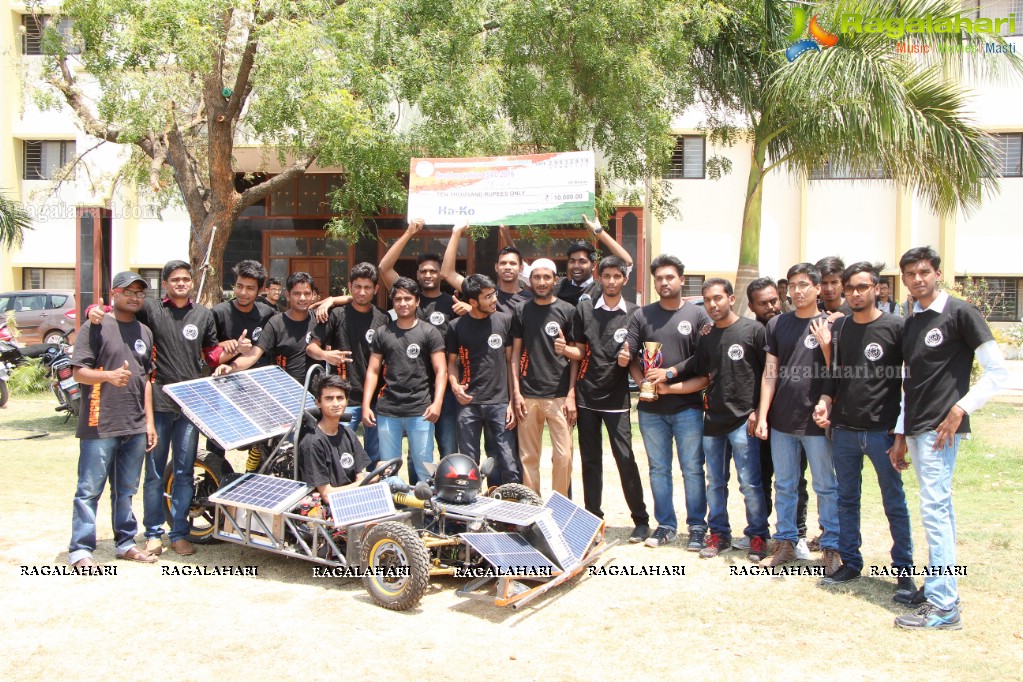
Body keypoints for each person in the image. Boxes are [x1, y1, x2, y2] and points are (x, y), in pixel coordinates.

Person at [890, 247, 1008, 630]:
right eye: (910, 274)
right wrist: (901, 433)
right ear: (904, 279)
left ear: (937, 273)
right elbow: (910, 383)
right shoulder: (912, 322)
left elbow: (997, 372)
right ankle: (941, 588)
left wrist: (961, 409)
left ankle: (944, 606)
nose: (918, 278)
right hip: (919, 429)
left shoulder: (960, 313)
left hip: (943, 431)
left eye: (924, 271)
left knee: (935, 512)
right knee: (939, 511)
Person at [88, 260, 220, 557]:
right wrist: (92, 312)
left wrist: (227, 353)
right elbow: (118, 310)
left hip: (190, 404)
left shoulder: (203, 314)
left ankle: (179, 533)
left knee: (185, 471)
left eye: (186, 278)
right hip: (159, 403)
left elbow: (211, 352)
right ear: (166, 283)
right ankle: (153, 533)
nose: (181, 283)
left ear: (191, 281)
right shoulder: (151, 309)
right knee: (155, 472)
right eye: (175, 279)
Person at [813, 262, 915, 598]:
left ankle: (904, 571)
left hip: (882, 432)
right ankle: (851, 563)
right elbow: (836, 372)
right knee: (846, 500)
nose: (855, 293)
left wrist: (901, 434)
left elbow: (909, 384)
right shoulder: (842, 329)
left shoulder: (897, 326)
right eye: (850, 288)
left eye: (862, 287)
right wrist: (826, 400)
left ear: (877, 288)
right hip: (844, 431)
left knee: (894, 502)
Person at [755, 263, 841, 575]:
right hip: (782, 421)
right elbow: (770, 373)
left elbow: (838, 373)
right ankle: (785, 543)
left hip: (817, 422)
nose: (798, 291)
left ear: (818, 289)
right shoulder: (778, 324)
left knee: (825, 485)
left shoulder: (833, 322)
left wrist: (827, 343)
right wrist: (763, 415)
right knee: (786, 484)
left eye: (804, 284)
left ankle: (832, 546)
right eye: (792, 285)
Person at [68, 272, 158, 568]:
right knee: (89, 489)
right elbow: (78, 372)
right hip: (100, 422)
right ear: (114, 293)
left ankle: (125, 542)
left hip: (134, 424)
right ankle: (81, 549)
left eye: (139, 293)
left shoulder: (144, 331)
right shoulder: (95, 325)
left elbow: (146, 379)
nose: (134, 297)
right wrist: (108, 376)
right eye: (128, 291)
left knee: (126, 489)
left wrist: (149, 423)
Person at [626, 255, 710, 549]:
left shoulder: (698, 316)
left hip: (688, 407)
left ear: (681, 280)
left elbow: (704, 360)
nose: (664, 282)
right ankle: (665, 525)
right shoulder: (641, 315)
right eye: (659, 278)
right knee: (658, 469)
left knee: (692, 468)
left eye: (669, 277)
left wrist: (670, 377)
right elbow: (631, 357)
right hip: (651, 410)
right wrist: (642, 384)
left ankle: (698, 526)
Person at [687, 278, 769, 562]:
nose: (713, 304)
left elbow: (769, 375)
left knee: (749, 483)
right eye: (708, 299)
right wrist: (668, 378)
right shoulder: (706, 335)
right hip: (713, 421)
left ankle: (758, 534)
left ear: (731, 299)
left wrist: (759, 411)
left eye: (718, 298)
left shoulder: (754, 331)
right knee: (715, 482)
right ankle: (718, 534)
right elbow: (700, 372)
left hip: (744, 420)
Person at [572, 256, 650, 542]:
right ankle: (593, 518)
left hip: (617, 400)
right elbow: (578, 353)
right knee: (590, 461)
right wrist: (571, 391)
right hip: (586, 398)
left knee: (625, 458)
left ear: (624, 279)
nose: (612, 281)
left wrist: (640, 377)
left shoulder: (635, 314)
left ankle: (640, 520)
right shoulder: (585, 310)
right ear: (599, 278)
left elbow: (638, 358)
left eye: (617, 276)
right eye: (606, 276)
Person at [379, 217, 458, 458]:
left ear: (440, 274)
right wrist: (409, 233)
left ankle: (444, 491)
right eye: (423, 271)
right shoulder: (408, 297)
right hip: (413, 387)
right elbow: (383, 268)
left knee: (446, 446)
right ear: (417, 274)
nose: (429, 274)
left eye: (434, 270)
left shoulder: (452, 302)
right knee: (417, 451)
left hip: (442, 384)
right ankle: (416, 493)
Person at [746, 277, 812, 559]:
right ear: (751, 306)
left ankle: (797, 535)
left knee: (795, 481)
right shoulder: (746, 331)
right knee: (761, 479)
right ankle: (762, 535)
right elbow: (750, 378)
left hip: (791, 419)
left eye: (775, 300)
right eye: (763, 303)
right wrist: (755, 411)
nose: (772, 306)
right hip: (757, 421)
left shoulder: (790, 327)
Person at [362, 277, 447, 483]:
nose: (403, 303)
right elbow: (373, 371)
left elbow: (441, 370)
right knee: (388, 467)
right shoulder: (383, 333)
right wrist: (366, 405)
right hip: (388, 410)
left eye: (408, 298)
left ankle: (426, 511)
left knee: (424, 466)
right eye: (398, 299)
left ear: (417, 301)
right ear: (393, 302)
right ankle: (394, 510)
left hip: (421, 410)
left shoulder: (429, 331)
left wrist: (437, 404)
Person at [510, 258, 582, 496]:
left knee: (564, 455)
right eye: (537, 277)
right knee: (529, 456)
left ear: (555, 280)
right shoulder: (521, 310)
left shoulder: (568, 310)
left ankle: (558, 506)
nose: (541, 282)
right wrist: (516, 394)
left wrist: (571, 394)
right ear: (529, 281)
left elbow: (575, 356)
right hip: (528, 395)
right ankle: (532, 506)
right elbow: (514, 355)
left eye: (546, 277)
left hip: (559, 395)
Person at [307, 263, 389, 463]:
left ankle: (371, 489)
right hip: (343, 400)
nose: (362, 292)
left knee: (374, 455)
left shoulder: (383, 318)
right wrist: (327, 356)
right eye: (357, 286)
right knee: (338, 451)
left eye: (367, 287)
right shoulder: (336, 315)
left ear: (376, 289)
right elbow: (312, 348)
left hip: (374, 399)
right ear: (350, 286)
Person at [446, 274, 519, 485]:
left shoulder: (504, 320)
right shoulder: (456, 326)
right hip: (468, 403)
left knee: (507, 460)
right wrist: (455, 385)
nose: (494, 299)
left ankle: (509, 506)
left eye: (494, 294)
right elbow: (452, 362)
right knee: (468, 463)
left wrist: (512, 401)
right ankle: (470, 508)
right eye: (487, 296)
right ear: (472, 302)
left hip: (499, 402)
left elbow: (510, 362)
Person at [218, 272, 319, 383]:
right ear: (287, 295)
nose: (302, 298)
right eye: (296, 294)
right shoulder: (276, 323)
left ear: (313, 295)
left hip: (316, 392)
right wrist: (231, 367)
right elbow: (254, 353)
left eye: (307, 293)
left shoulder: (320, 319)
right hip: (285, 391)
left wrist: (331, 300)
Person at [441, 222, 533, 314]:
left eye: (513, 263)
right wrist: (456, 232)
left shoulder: (531, 300)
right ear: (496, 267)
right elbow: (448, 273)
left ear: (521, 268)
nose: (507, 267)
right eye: (503, 263)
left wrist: (506, 234)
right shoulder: (485, 293)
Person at [298, 375, 368, 495]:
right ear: (318, 403)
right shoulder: (312, 442)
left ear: (347, 401)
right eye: (329, 398)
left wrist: (368, 480)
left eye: (340, 398)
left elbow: (359, 476)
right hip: (330, 506)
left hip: (355, 497)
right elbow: (326, 494)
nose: (335, 403)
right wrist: (370, 480)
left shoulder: (349, 434)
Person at [556, 213, 633, 306]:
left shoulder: (601, 288)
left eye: (582, 261)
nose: (576, 266)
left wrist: (599, 232)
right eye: (572, 261)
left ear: (593, 265)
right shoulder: (558, 285)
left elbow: (627, 262)